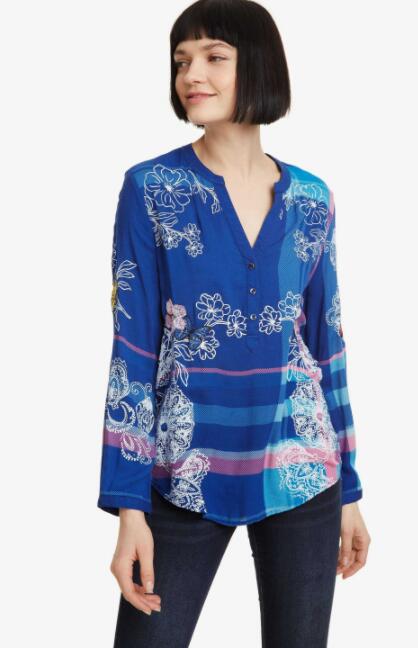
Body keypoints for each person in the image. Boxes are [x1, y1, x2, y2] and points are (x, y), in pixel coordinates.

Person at [97, 1, 371, 646]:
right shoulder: (151, 188)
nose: (192, 74)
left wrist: (351, 490)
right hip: (182, 473)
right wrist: (129, 506)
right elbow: (133, 350)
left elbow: (326, 344)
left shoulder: (312, 199)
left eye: (214, 57)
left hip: (303, 471)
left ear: (260, 67)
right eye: (182, 61)